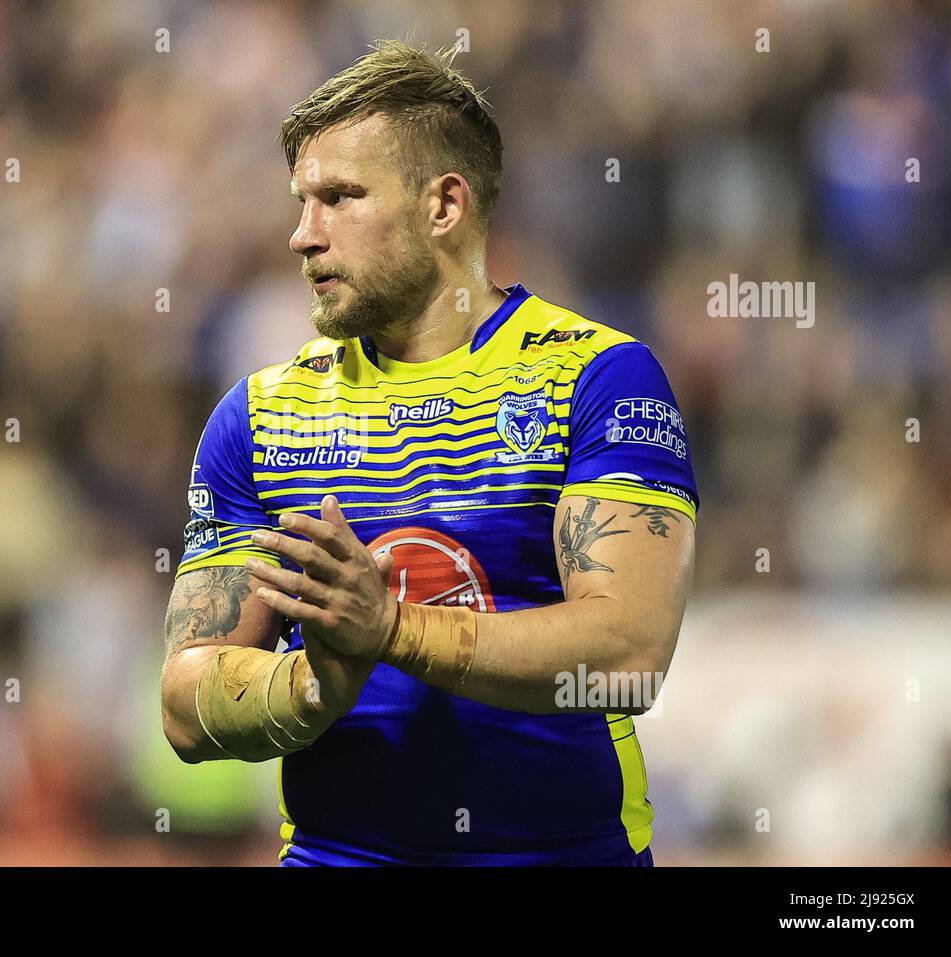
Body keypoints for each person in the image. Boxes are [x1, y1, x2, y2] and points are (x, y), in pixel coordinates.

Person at [160, 39, 696, 866]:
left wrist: (392, 629)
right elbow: (186, 708)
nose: (304, 236)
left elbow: (627, 657)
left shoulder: (596, 377)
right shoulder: (260, 416)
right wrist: (311, 685)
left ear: (444, 206)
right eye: (301, 202)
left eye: (339, 197)